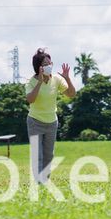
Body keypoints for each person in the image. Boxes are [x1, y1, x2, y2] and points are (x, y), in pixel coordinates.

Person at [25, 48, 76, 183]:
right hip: (35, 122)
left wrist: (68, 79)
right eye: (46, 64)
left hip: (52, 122)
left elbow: (71, 94)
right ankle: (39, 183)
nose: (49, 66)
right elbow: (30, 99)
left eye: (50, 63)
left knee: (48, 155)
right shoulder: (31, 81)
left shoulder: (57, 79)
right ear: (39, 67)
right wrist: (40, 82)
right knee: (38, 155)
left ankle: (44, 181)